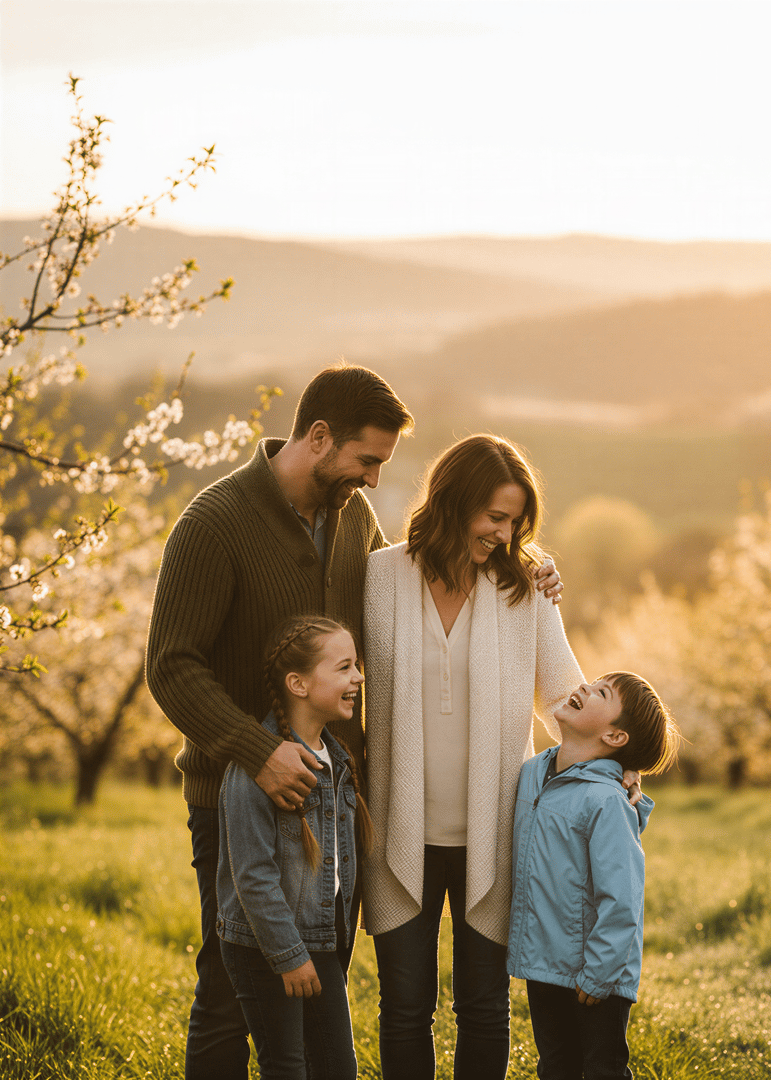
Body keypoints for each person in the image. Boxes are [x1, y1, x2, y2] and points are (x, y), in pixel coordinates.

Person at [146, 364, 561, 1079]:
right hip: (239, 798)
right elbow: (172, 666)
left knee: (319, 981)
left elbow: (415, 598)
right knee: (229, 984)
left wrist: (531, 567)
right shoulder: (214, 523)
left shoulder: (351, 522)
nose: (373, 480)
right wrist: (257, 753)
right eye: (367, 460)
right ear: (317, 437)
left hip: (333, 804)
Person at [362, 434, 637, 1080]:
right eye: (495, 517)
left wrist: (618, 763)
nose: (505, 533)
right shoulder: (378, 577)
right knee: (404, 1007)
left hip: (495, 832)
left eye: (515, 522)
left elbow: (567, 698)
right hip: (399, 829)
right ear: (455, 502)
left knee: (482, 1007)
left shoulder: (523, 590)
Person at [506, 672, 680, 1080]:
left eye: (601, 692)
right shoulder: (533, 772)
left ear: (616, 738)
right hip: (544, 963)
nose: (583, 686)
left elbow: (622, 899)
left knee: (602, 1069)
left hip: (595, 973)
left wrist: (599, 972)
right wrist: (627, 768)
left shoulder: (606, 802)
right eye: (594, 681)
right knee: (555, 1067)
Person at [217, 617, 368, 1080]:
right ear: (298, 684)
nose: (359, 678)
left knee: (337, 1068)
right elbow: (253, 876)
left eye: (357, 665)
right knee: (287, 1067)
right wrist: (289, 955)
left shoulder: (337, 760)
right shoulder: (259, 769)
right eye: (344, 668)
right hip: (267, 947)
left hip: (320, 940)